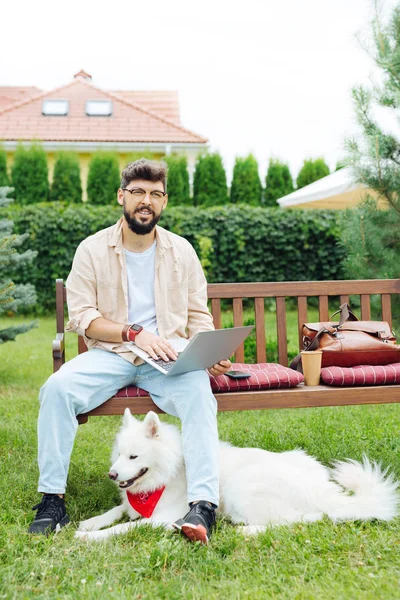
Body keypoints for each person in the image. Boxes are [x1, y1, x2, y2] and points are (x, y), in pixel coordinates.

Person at [28, 159, 232, 544]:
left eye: (155, 194)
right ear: (122, 196)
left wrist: (206, 352)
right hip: (111, 354)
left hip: (168, 359)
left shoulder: (181, 251)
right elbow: (84, 316)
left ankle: (203, 503)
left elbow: (197, 315)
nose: (146, 201)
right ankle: (52, 500)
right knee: (56, 389)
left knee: (200, 397)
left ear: (164, 202)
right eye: (138, 191)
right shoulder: (92, 249)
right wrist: (133, 332)